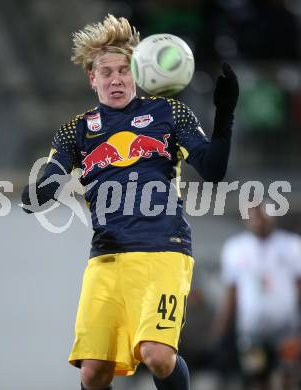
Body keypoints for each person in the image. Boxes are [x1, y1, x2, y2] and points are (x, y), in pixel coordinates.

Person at [21, 14, 239, 390]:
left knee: (157, 354)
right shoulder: (76, 130)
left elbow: (214, 169)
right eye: (106, 72)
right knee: (93, 373)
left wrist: (224, 114)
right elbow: (41, 189)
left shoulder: (169, 113)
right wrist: (39, 192)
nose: (116, 80)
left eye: (124, 70)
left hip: (163, 252)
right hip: (106, 258)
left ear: (138, 71)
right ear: (92, 77)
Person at [215, 203, 301, 389]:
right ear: (246, 219)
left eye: (264, 214)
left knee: (287, 378)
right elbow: (231, 294)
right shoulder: (235, 249)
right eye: (254, 215)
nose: (259, 220)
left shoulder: (292, 245)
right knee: (255, 379)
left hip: (286, 330)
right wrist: (221, 331)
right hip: (251, 332)